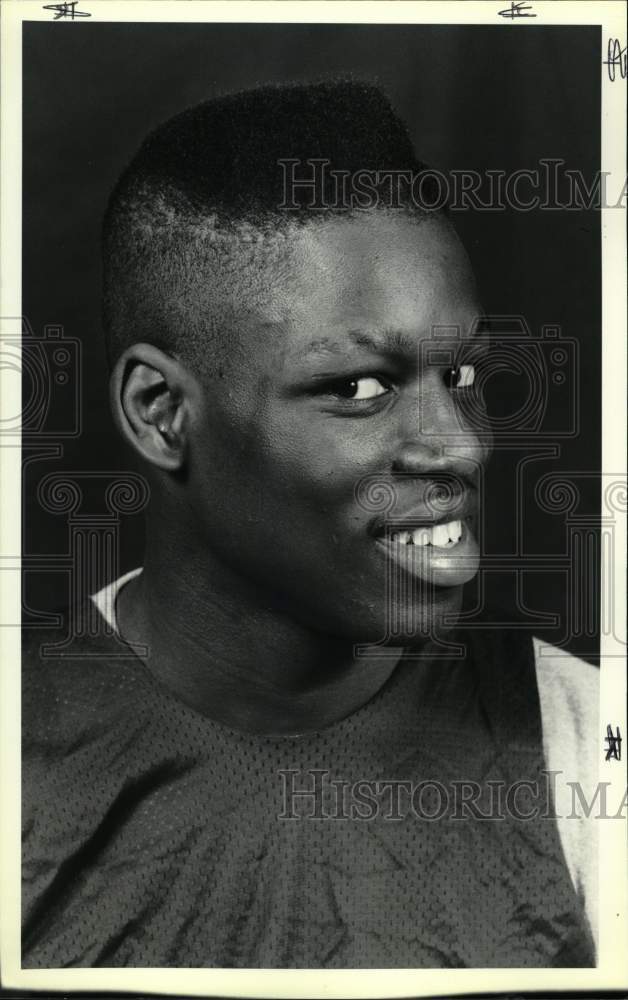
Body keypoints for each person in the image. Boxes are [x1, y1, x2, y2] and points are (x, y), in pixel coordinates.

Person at [22, 80, 598, 968]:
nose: (459, 448)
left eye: (465, 377)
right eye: (359, 388)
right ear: (161, 412)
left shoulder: (583, 745)